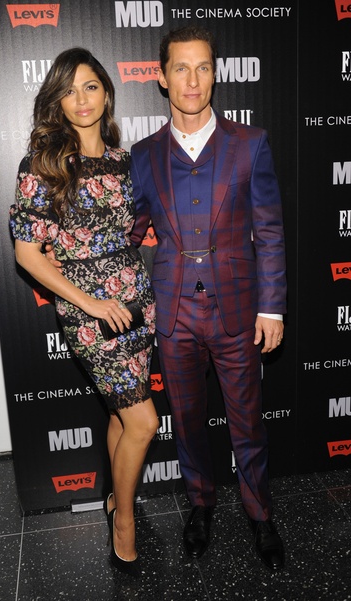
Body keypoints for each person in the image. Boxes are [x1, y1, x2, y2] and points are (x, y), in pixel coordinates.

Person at [129, 26, 287, 571]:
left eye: (202, 68)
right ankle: (200, 505)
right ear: (161, 77)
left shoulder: (250, 143)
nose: (192, 80)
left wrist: (272, 307)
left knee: (248, 422)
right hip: (174, 314)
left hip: (238, 312)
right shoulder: (144, 156)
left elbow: (269, 231)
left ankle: (260, 514)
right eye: (180, 68)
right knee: (188, 422)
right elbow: (130, 234)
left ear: (215, 74)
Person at [9, 47, 159, 578]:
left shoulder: (124, 160)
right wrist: (91, 301)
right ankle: (124, 525)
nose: (81, 99)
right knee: (144, 420)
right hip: (90, 312)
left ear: (106, 93)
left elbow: (132, 229)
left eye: (91, 86)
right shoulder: (44, 165)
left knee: (121, 414)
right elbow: (28, 255)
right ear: (57, 100)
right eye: (69, 90)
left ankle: (117, 499)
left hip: (137, 302)